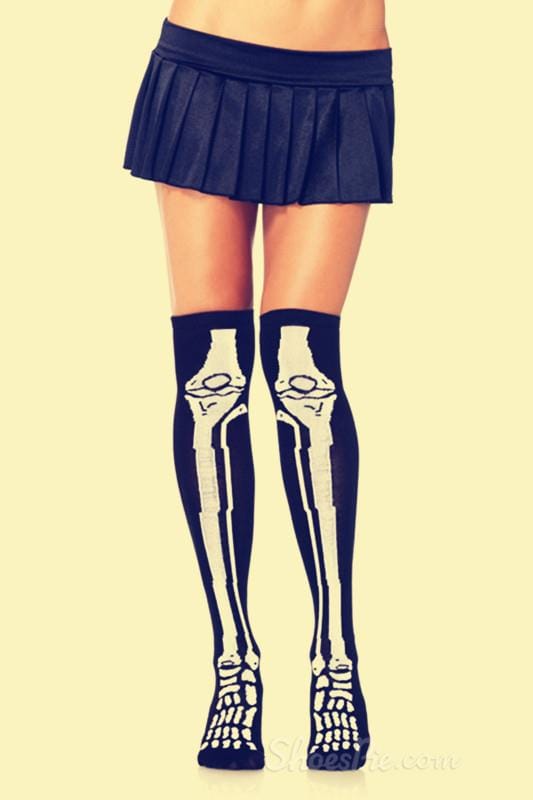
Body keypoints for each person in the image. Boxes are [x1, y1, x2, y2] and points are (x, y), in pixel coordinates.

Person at [122, 0, 395, 772]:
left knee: (304, 373)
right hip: (204, 68)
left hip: (341, 80)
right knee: (210, 380)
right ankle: (232, 662)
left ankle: (334, 659)